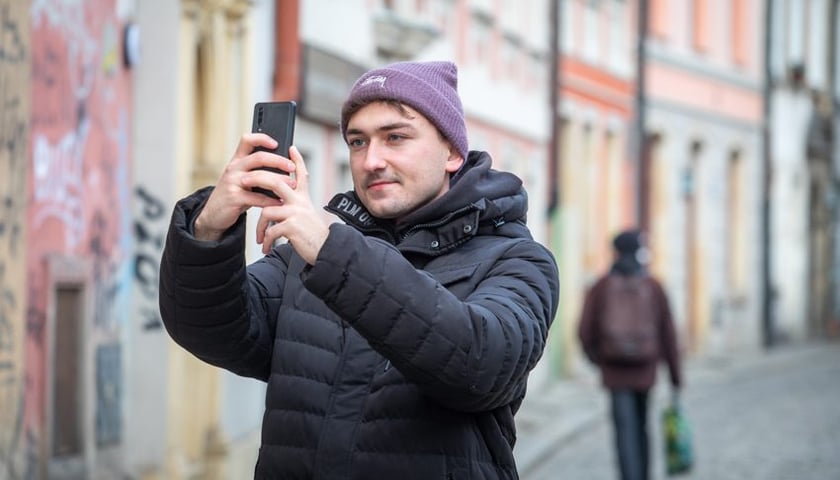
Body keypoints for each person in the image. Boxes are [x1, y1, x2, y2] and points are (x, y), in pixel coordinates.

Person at [158, 60, 559, 479]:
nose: (371, 161)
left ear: (453, 152)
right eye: (357, 142)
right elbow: (212, 329)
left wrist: (332, 251)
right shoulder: (310, 254)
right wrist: (209, 228)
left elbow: (480, 368)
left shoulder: (517, 260)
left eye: (395, 138)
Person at [577, 230, 682, 480]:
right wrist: (676, 376)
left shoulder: (601, 286)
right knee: (642, 426)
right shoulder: (653, 286)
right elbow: (668, 333)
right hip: (645, 370)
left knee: (624, 430)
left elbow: (583, 330)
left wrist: (598, 358)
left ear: (615, 252)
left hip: (614, 371)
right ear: (638, 252)